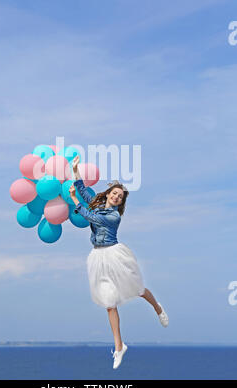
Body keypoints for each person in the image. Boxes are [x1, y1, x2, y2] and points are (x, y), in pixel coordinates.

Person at [68, 155, 169, 369]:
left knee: (138, 289)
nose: (116, 198)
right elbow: (83, 189)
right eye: (115, 194)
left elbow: (90, 216)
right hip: (97, 256)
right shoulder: (97, 202)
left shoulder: (114, 216)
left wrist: (75, 201)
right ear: (108, 193)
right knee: (109, 303)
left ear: (121, 202)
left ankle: (157, 308)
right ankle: (119, 346)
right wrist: (76, 170)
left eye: (120, 197)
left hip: (115, 255)